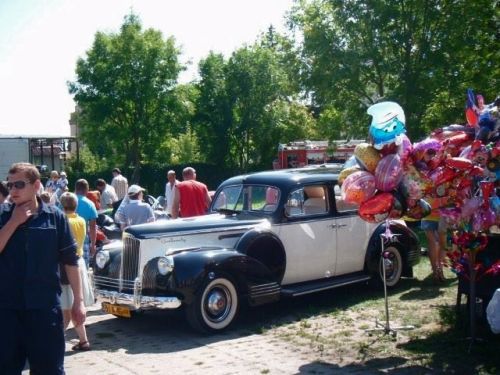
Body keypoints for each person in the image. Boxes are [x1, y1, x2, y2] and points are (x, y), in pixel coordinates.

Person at [0, 162, 85, 374]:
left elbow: (70, 260)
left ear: (36, 185)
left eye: (19, 184)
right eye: (10, 185)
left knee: (50, 369)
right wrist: (13, 222)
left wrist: (79, 301)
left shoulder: (55, 217)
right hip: (7, 310)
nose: (13, 190)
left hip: (45, 309)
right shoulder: (3, 214)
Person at [59, 192, 94, 351]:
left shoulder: (63, 221)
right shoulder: (80, 220)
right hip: (79, 262)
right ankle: (83, 340)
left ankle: (55, 340)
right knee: (74, 306)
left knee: (65, 309)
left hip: (67, 265)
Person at [74, 179, 98, 267]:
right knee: (83, 269)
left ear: (75, 188)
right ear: (87, 189)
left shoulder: (66, 201)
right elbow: (92, 227)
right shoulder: (90, 204)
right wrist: (93, 245)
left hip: (66, 240)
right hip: (82, 240)